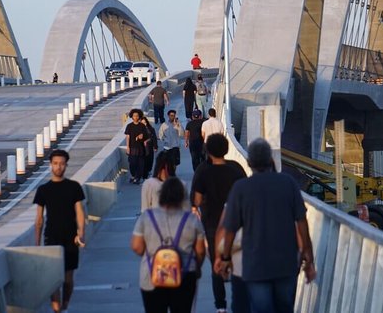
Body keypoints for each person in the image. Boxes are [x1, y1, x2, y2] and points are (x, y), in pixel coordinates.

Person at [216, 139, 317, 313]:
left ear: (249, 163)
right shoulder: (288, 184)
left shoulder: (241, 188)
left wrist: (225, 258)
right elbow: (301, 222)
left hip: (255, 266)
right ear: (271, 159)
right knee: (285, 308)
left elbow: (230, 229)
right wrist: (308, 257)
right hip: (286, 263)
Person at [191, 133, 247, 313]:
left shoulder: (203, 171)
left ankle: (221, 306)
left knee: (217, 261)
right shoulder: (236, 168)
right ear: (226, 148)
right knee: (239, 260)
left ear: (207, 151)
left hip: (213, 224)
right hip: (239, 223)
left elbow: (197, 201)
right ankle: (241, 301)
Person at [131, 177, 206, 313]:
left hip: (152, 276)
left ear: (161, 195)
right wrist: (197, 267)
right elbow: (200, 251)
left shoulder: (147, 217)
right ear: (182, 196)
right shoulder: (192, 220)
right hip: (185, 275)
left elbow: (137, 246)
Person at [33, 149, 86, 313]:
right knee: (54, 277)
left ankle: (65, 304)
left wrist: (80, 233)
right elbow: (39, 219)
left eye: (62, 164)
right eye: (55, 164)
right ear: (50, 165)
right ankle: (57, 308)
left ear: (66, 165)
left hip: (70, 237)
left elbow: (79, 213)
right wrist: (37, 243)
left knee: (68, 279)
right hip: (51, 237)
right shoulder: (43, 190)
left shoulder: (74, 187)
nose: (58, 167)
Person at [125, 108, 149, 184]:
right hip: (132, 147)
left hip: (141, 147)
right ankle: (134, 175)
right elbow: (128, 137)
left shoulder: (142, 126)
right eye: (134, 116)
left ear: (139, 117)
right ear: (132, 116)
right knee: (132, 163)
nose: (135, 117)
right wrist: (128, 147)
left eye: (137, 116)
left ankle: (137, 178)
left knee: (140, 164)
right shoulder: (129, 126)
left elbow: (146, 136)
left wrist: (142, 137)